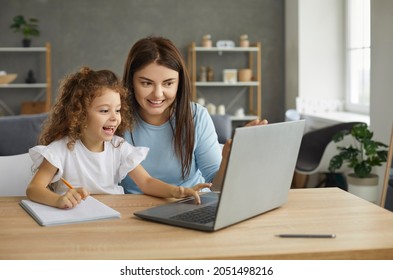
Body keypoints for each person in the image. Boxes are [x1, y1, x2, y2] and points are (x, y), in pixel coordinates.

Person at [26, 67, 211, 209]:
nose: (114, 117)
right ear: (79, 114)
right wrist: (59, 199)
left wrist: (177, 191)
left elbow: (146, 182)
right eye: (104, 111)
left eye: (117, 110)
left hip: (113, 216)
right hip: (72, 219)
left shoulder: (119, 147)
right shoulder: (61, 150)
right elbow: (34, 189)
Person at [121, 36, 267, 194]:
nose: (158, 94)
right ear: (131, 82)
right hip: (133, 208)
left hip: (191, 203)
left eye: (168, 83)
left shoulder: (196, 116)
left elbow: (216, 188)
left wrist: (229, 158)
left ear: (179, 83)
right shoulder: (115, 119)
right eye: (146, 83)